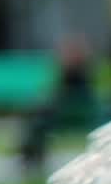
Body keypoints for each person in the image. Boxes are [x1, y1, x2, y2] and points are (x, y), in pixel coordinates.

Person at [19, 35, 97, 172]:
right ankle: (30, 155)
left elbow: (67, 96)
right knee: (38, 121)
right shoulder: (73, 72)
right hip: (65, 113)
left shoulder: (76, 73)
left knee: (39, 122)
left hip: (68, 115)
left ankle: (30, 156)